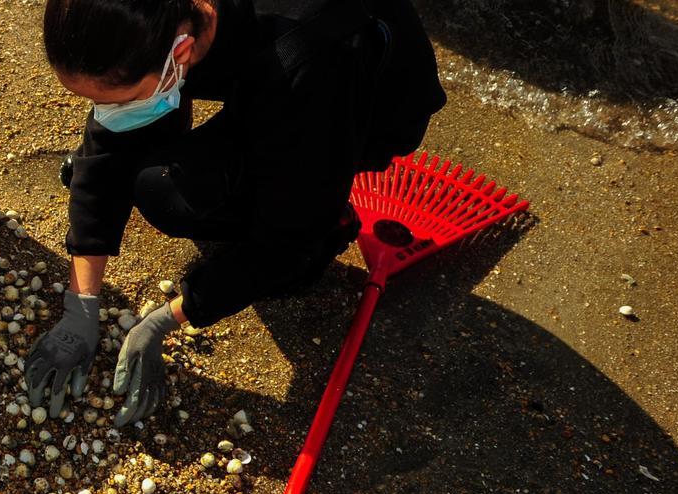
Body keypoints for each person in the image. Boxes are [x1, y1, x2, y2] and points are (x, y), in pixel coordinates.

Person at [24, 0, 447, 425]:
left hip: (366, 99)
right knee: (135, 151)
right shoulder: (160, 24)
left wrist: (165, 320)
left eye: (125, 99)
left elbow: (285, 241)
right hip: (267, 65)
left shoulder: (306, 72)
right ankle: (175, 124)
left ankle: (335, 220)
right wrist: (80, 305)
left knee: (174, 195)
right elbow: (106, 146)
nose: (110, 112)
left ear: (182, 52)